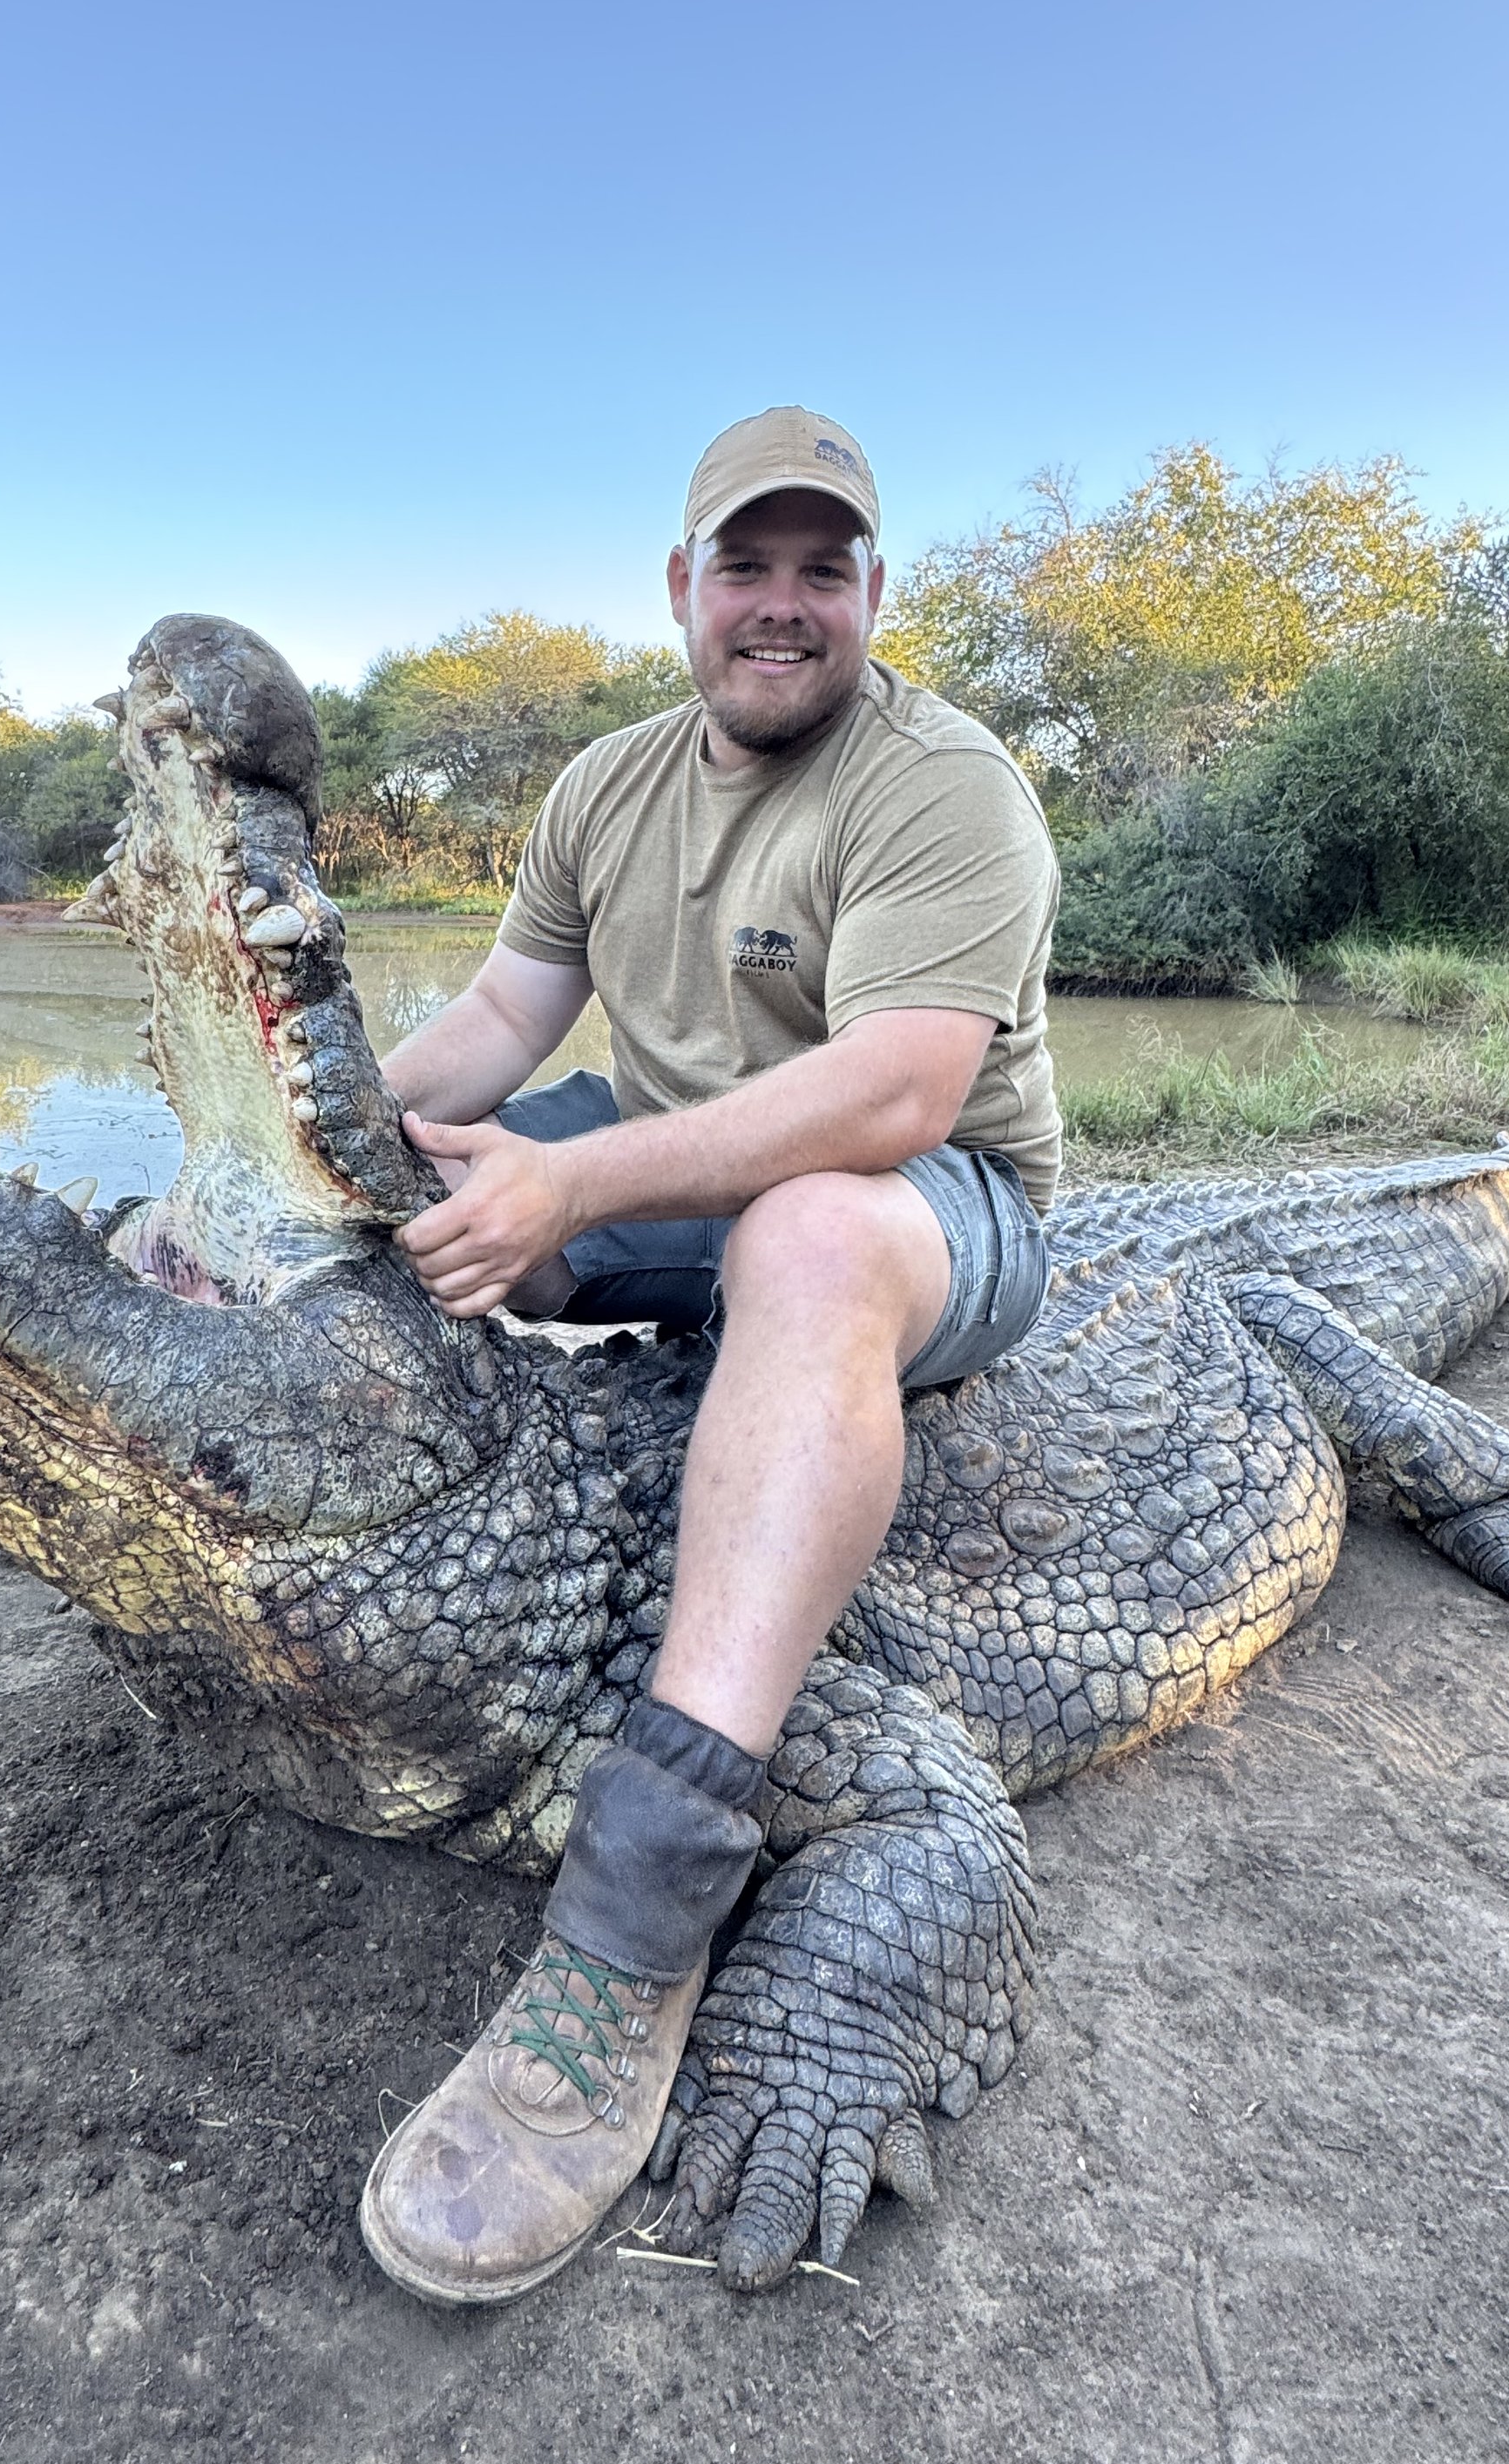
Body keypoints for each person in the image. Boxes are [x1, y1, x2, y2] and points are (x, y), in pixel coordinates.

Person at [357, 408, 1061, 2304]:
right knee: (405, 1181)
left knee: (803, 1229)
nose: (779, 604)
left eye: (817, 568)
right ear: (679, 588)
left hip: (929, 1203)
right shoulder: (604, 784)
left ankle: (640, 1901)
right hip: (680, 1176)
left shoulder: (944, 779)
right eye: (742, 566)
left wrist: (571, 1182)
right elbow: (499, 1021)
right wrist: (319, 1140)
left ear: (867, 593)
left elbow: (897, 1088)